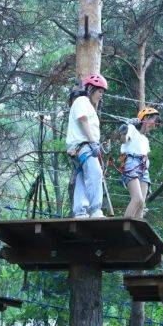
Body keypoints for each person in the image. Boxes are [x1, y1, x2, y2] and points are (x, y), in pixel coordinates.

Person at [65, 74, 108, 218]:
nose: (101, 95)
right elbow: (83, 120)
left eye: (102, 92)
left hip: (78, 147)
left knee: (83, 178)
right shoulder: (82, 101)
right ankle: (95, 209)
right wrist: (93, 142)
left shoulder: (88, 106)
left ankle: (80, 212)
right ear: (90, 89)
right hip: (83, 146)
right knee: (95, 173)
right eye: (99, 91)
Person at [118, 107, 161, 219]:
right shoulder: (131, 128)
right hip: (131, 163)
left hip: (143, 168)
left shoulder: (145, 140)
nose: (154, 126)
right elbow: (123, 140)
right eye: (154, 121)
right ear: (146, 118)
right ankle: (125, 228)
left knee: (142, 204)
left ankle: (135, 231)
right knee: (137, 199)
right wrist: (125, 128)